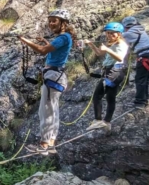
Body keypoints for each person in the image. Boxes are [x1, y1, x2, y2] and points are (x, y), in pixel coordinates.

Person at [19, 9, 75, 155]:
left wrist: (25, 41)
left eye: (54, 20)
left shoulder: (63, 37)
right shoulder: (64, 37)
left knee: (46, 111)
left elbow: (43, 51)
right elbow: (52, 49)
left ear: (63, 23)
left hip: (53, 75)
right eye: (50, 21)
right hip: (56, 75)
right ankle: (51, 143)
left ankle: (44, 144)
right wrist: (45, 42)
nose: (51, 23)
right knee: (53, 109)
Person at [85, 22, 129, 133]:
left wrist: (107, 49)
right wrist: (91, 45)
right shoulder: (113, 44)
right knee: (110, 97)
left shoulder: (121, 45)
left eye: (112, 34)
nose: (109, 35)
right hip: (112, 72)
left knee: (97, 96)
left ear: (119, 34)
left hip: (114, 72)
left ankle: (98, 120)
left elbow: (119, 58)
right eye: (108, 33)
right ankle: (107, 122)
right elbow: (99, 53)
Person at [121, 16, 149, 108]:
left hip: (145, 57)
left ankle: (140, 103)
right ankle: (145, 99)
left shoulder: (131, 32)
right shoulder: (140, 30)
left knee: (140, 80)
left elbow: (117, 38)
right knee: (144, 79)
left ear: (126, 27)